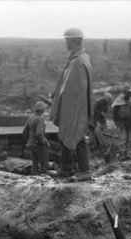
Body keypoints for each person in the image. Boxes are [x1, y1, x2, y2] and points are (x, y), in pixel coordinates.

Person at [50, 27, 93, 182]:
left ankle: (85, 171)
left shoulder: (78, 62)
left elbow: (78, 89)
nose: (65, 42)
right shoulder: (79, 58)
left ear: (72, 41)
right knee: (65, 134)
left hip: (75, 107)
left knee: (79, 136)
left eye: (67, 40)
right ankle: (66, 168)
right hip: (71, 106)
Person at [23, 101, 51, 175]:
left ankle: (34, 177)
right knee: (44, 164)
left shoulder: (31, 118)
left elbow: (25, 132)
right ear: (41, 110)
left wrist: (29, 140)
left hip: (32, 144)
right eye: (44, 108)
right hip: (39, 144)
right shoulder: (39, 119)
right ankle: (44, 178)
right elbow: (39, 134)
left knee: (34, 163)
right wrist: (45, 142)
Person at [112, 83, 131, 158]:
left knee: (128, 138)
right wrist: (116, 121)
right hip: (122, 123)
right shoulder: (119, 101)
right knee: (123, 138)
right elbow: (115, 113)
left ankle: (127, 153)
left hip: (129, 123)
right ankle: (122, 153)